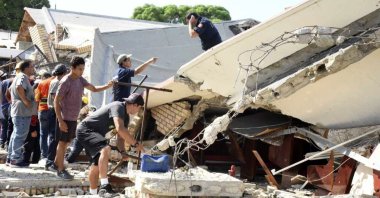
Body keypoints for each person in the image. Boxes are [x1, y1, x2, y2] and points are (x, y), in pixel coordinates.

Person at [54, 56, 113, 180]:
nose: (82, 71)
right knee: (62, 143)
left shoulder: (80, 80)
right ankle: (60, 169)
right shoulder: (66, 81)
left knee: (66, 143)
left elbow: (94, 89)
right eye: (80, 69)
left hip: (73, 118)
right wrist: (60, 120)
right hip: (65, 118)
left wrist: (107, 86)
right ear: (73, 68)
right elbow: (56, 101)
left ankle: (56, 164)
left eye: (83, 69)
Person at [77, 93, 145, 195]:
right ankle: (105, 186)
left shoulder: (125, 117)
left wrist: (122, 151)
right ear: (135, 105)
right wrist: (135, 144)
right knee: (105, 149)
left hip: (96, 135)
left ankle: (93, 193)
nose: (138, 111)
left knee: (96, 165)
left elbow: (120, 138)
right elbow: (120, 129)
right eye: (139, 108)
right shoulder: (118, 106)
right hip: (86, 130)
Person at [7, 60, 37, 167]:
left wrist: (13, 101)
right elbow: (19, 87)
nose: (33, 68)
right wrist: (25, 101)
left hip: (17, 110)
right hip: (22, 111)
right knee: (20, 135)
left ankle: (10, 158)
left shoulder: (18, 76)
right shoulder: (23, 76)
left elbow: (9, 91)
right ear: (26, 68)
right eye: (32, 66)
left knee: (16, 135)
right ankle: (16, 159)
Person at [44, 64, 68, 171]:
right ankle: (49, 162)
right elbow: (55, 97)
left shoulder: (58, 81)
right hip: (54, 111)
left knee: (56, 137)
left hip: (55, 111)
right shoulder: (56, 81)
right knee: (54, 137)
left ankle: (53, 161)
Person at [35, 72, 53, 161]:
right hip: (53, 111)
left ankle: (44, 155)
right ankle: (51, 155)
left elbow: (37, 99)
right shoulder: (57, 81)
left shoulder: (41, 83)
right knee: (52, 134)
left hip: (42, 110)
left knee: (43, 134)